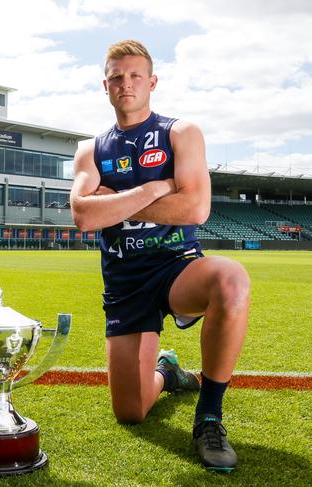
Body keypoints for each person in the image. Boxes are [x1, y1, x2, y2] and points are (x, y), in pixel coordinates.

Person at [70, 40, 249, 472]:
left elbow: (196, 208)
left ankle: (209, 416)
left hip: (177, 266)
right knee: (130, 412)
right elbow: (82, 214)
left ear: (151, 82)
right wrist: (154, 189)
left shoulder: (180, 133)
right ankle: (167, 372)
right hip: (125, 282)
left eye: (135, 76)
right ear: (105, 85)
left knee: (231, 279)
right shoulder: (90, 149)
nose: (125, 83)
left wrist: (117, 202)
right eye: (116, 76)